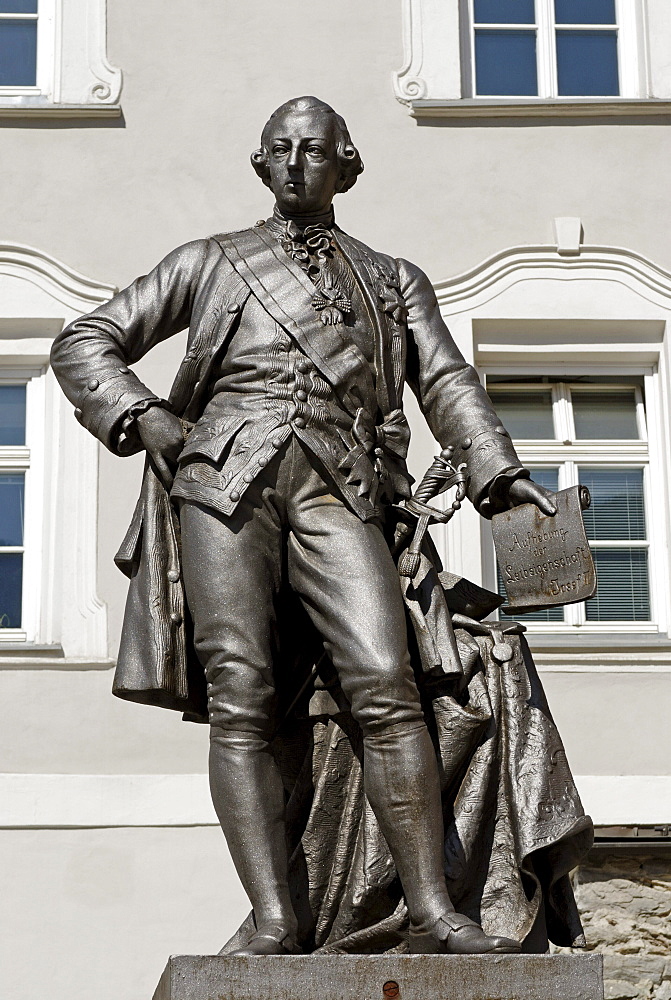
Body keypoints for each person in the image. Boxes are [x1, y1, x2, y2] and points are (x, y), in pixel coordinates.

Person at [50, 97, 560, 957]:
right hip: (222, 487)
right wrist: (144, 418)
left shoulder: (392, 278)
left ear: (345, 166)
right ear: (260, 165)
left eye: (313, 149)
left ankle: (434, 912)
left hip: (341, 485)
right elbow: (86, 340)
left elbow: (445, 380)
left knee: (386, 685)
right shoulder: (210, 260)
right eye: (278, 149)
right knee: (240, 698)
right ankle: (278, 918)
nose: (294, 162)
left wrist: (493, 467)